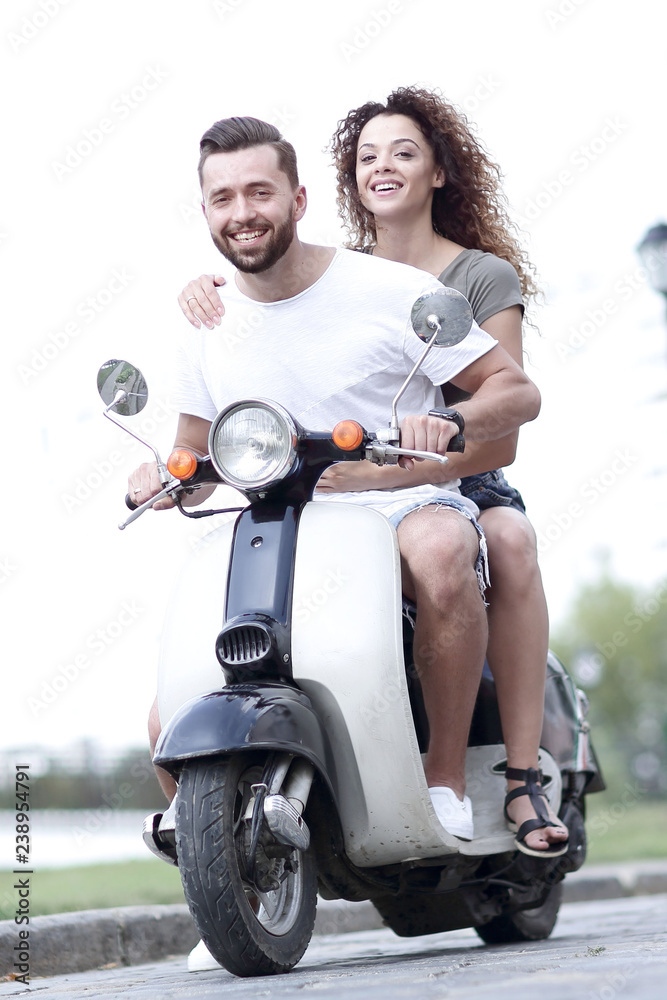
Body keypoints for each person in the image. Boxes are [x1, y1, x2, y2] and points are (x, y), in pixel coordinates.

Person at [176, 90, 568, 860]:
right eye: (222, 197)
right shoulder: (214, 311)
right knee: (184, 661)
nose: (241, 210)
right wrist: (165, 476)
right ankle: (214, 853)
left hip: (428, 486)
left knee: (492, 542)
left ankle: (484, 776)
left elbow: (511, 403)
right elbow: (192, 451)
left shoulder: (439, 285)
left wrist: (438, 430)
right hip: (291, 510)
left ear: (297, 198)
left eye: (259, 192)